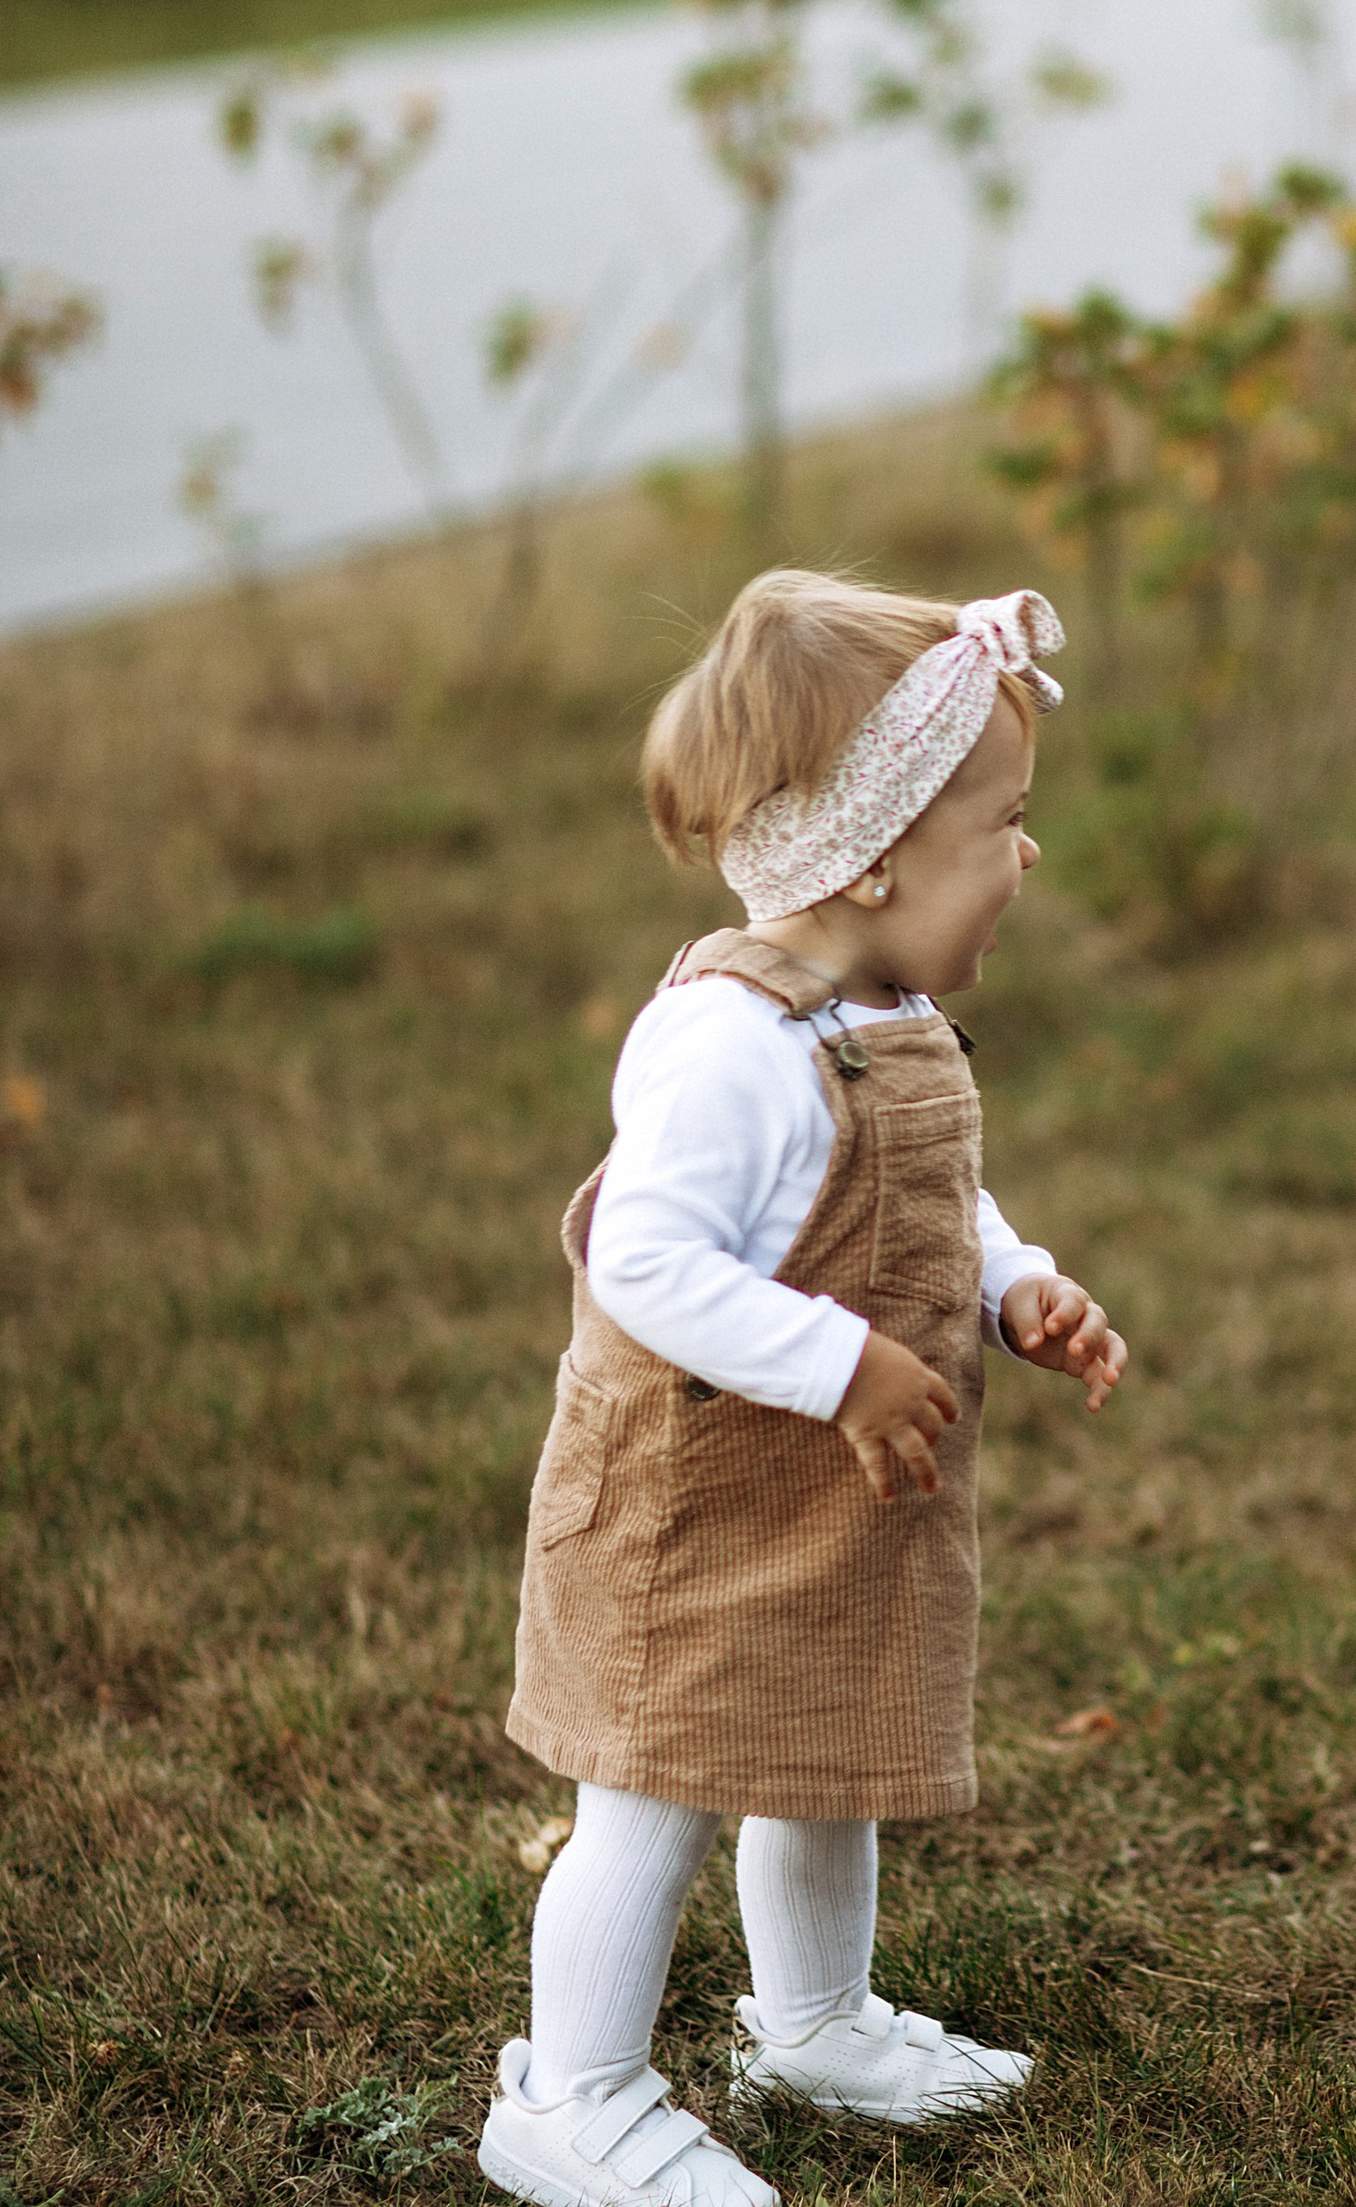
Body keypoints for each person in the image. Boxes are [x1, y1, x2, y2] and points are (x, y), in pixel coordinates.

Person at [479, 577, 1127, 2207]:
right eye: (1003, 825)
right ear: (875, 859)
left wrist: (1012, 1285)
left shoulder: (884, 1014)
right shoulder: (730, 1045)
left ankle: (817, 2022)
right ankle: (569, 2099)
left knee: (828, 1754)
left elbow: (924, 1196)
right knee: (653, 1794)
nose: (1028, 856)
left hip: (829, 1503)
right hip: (691, 1509)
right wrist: (841, 1360)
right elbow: (644, 1260)